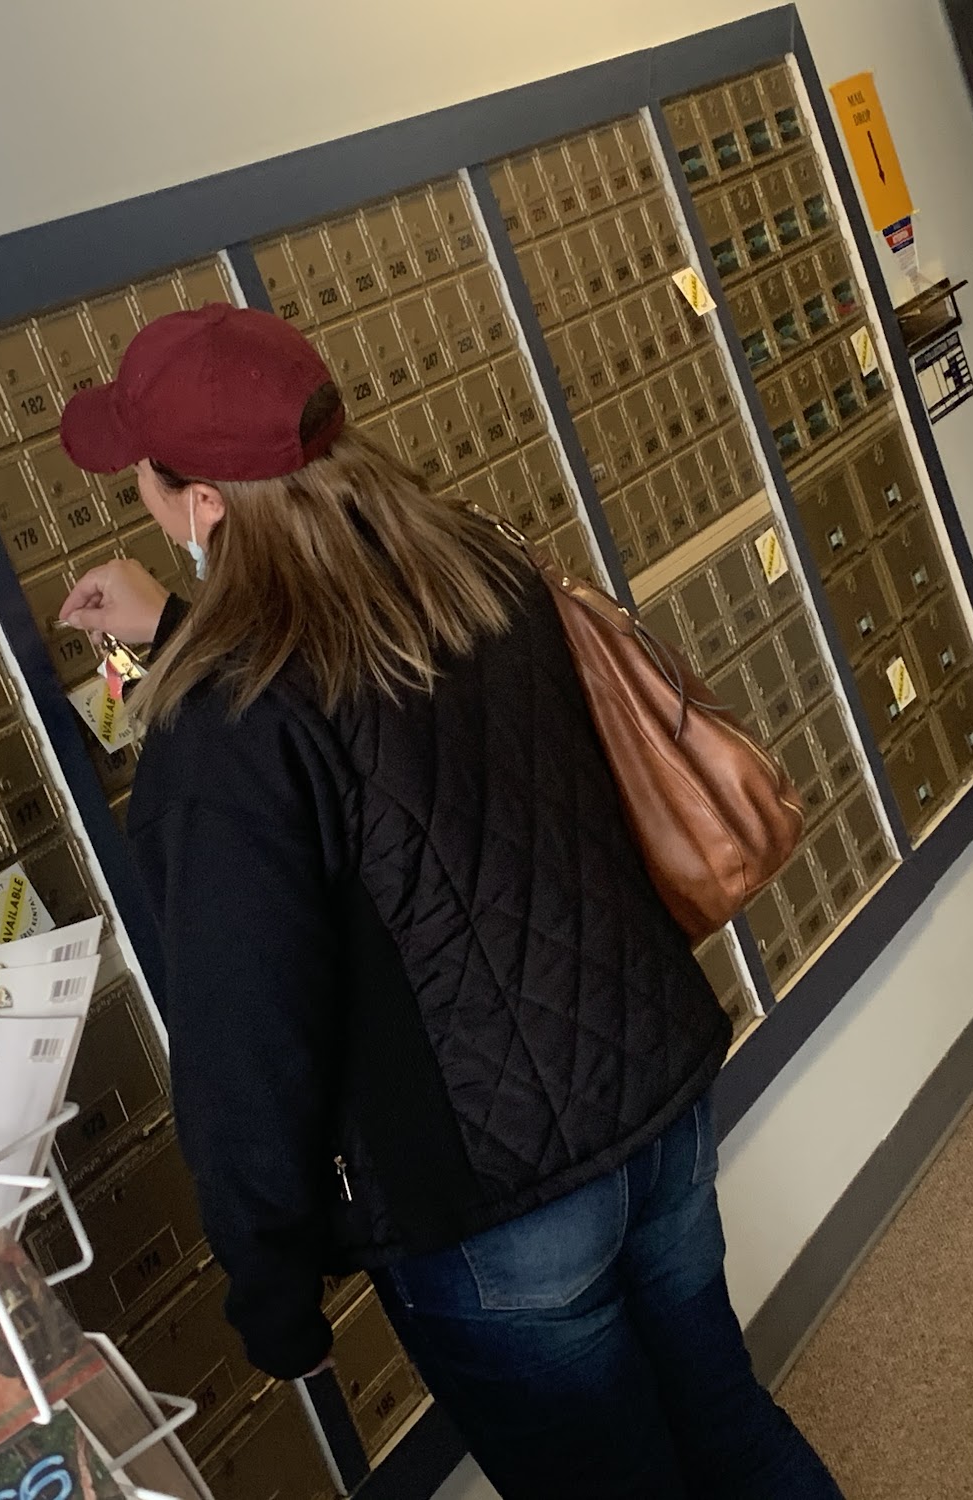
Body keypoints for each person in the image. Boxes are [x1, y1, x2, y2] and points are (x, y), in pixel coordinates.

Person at [57, 303, 844, 1500]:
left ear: (202, 505)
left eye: (150, 482)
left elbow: (246, 1034)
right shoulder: (479, 570)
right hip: (647, 1100)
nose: (148, 503)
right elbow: (390, 744)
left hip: (493, 1200)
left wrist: (272, 1289)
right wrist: (175, 630)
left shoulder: (226, 728)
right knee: (726, 1422)